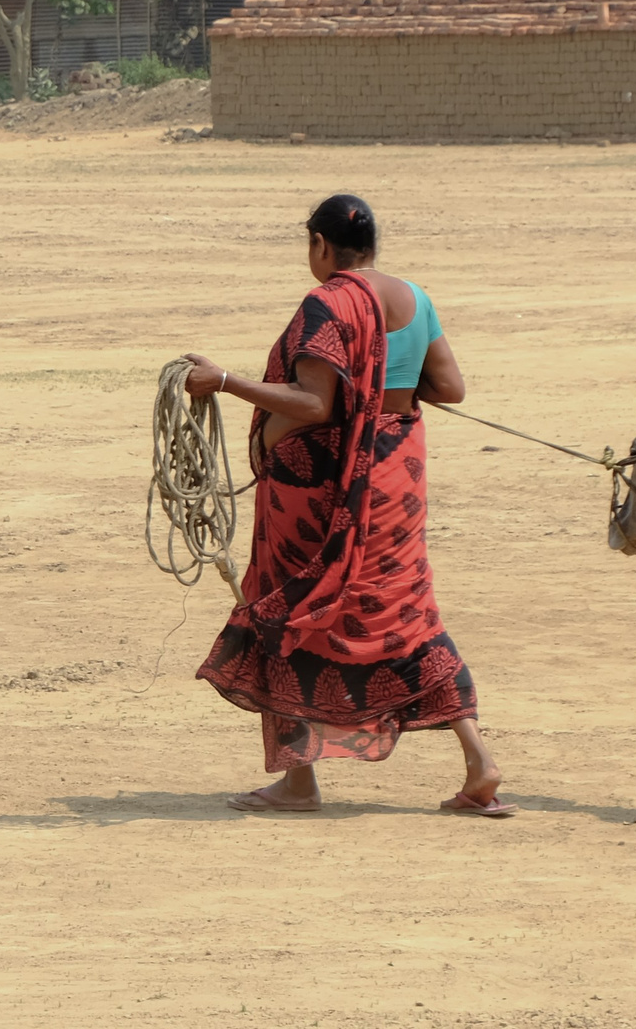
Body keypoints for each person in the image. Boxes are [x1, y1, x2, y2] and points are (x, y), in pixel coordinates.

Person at [183, 193, 510, 818]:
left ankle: (299, 783)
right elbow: (450, 388)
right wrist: (385, 383)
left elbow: (314, 405)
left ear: (319, 245)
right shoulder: (415, 299)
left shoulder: (327, 303)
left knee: (287, 610)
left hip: (324, 491)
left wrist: (221, 381)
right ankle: (479, 761)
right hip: (394, 484)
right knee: (405, 613)